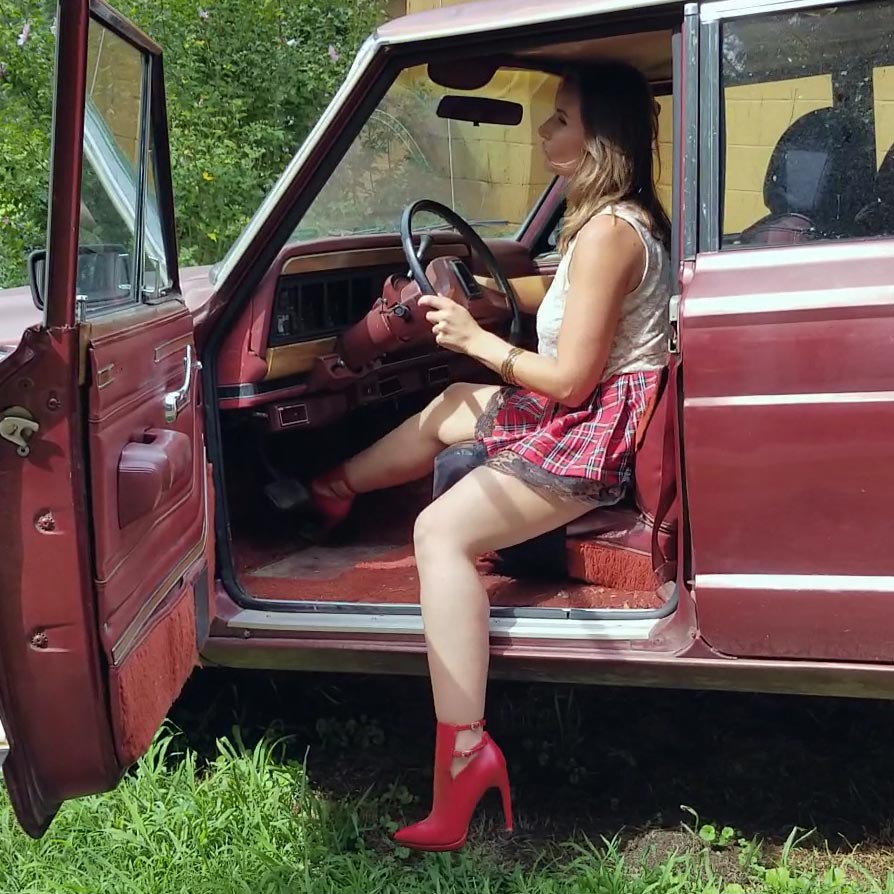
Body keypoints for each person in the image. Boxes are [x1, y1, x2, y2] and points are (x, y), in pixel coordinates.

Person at [310, 60, 673, 851]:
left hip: (590, 431)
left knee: (439, 533)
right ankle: (329, 490)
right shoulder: (607, 221)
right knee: (446, 408)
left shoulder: (612, 233)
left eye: (561, 118)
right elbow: (558, 298)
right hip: (587, 409)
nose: (545, 130)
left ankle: (466, 757)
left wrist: (477, 340)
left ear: (597, 138)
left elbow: (573, 380)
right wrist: (478, 290)